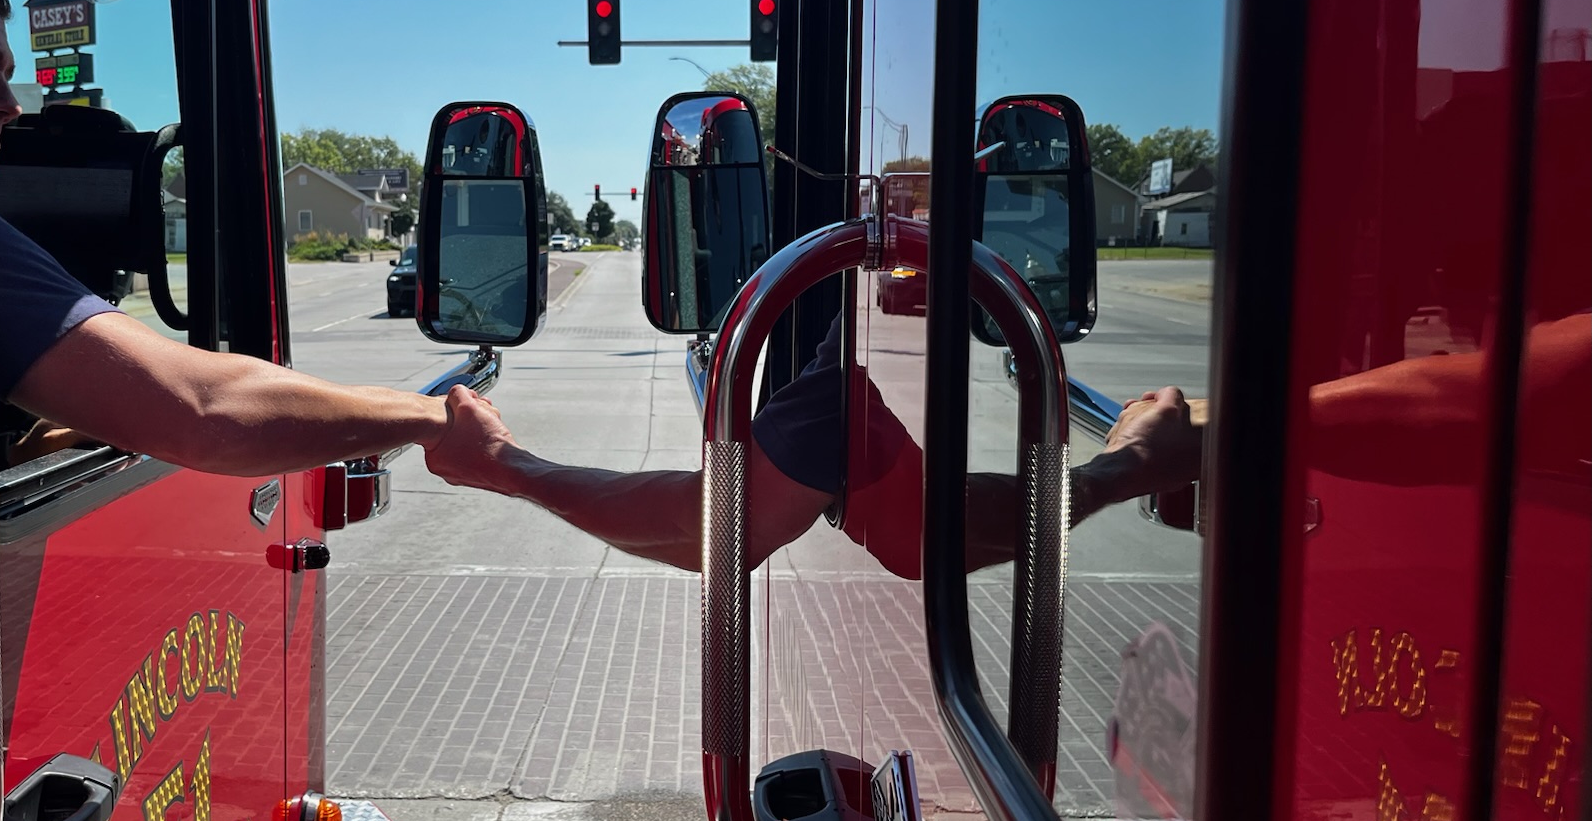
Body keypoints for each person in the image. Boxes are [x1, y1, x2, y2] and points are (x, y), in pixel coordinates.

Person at [0, 0, 455, 474]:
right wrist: (437, 419)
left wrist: (16, 458)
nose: (10, 105)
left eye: (8, 74)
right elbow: (205, 409)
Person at [422, 316, 1203, 573]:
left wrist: (505, 465)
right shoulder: (874, 310)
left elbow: (724, 523)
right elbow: (921, 527)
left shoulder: (866, 294)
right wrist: (1117, 473)